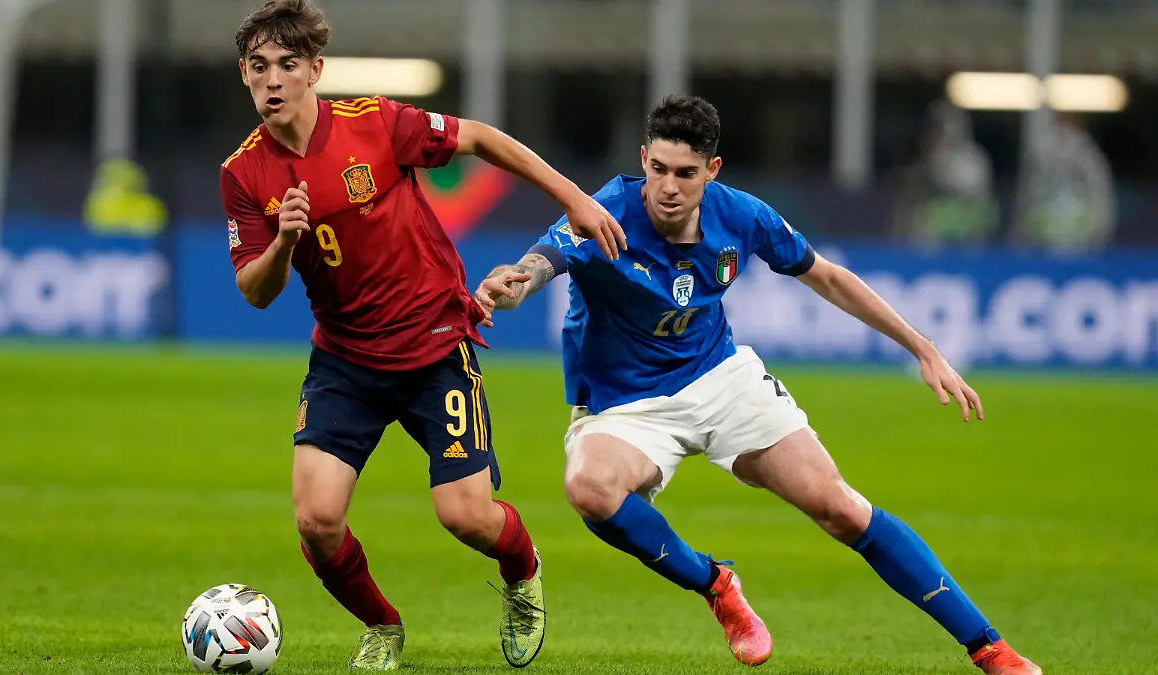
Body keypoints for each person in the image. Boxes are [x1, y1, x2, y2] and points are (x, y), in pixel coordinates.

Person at [475, 95, 1042, 675]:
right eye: (659, 169)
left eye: (686, 174)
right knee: (590, 489)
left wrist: (922, 347)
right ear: (644, 159)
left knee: (841, 509)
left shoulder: (741, 216)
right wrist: (507, 285)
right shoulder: (601, 215)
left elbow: (828, 277)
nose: (669, 187)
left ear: (711, 171)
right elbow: (534, 266)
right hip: (624, 405)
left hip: (719, 378)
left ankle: (991, 649)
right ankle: (715, 584)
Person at [219, 1, 626, 670]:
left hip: (435, 344)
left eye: (288, 65)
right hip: (345, 360)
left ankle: (523, 570)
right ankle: (382, 626)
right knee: (316, 521)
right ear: (244, 74)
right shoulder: (244, 174)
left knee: (466, 515)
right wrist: (285, 241)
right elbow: (256, 292)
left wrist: (573, 198)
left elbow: (482, 139)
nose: (273, 80)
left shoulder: (376, 123)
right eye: (259, 67)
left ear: (315, 69)